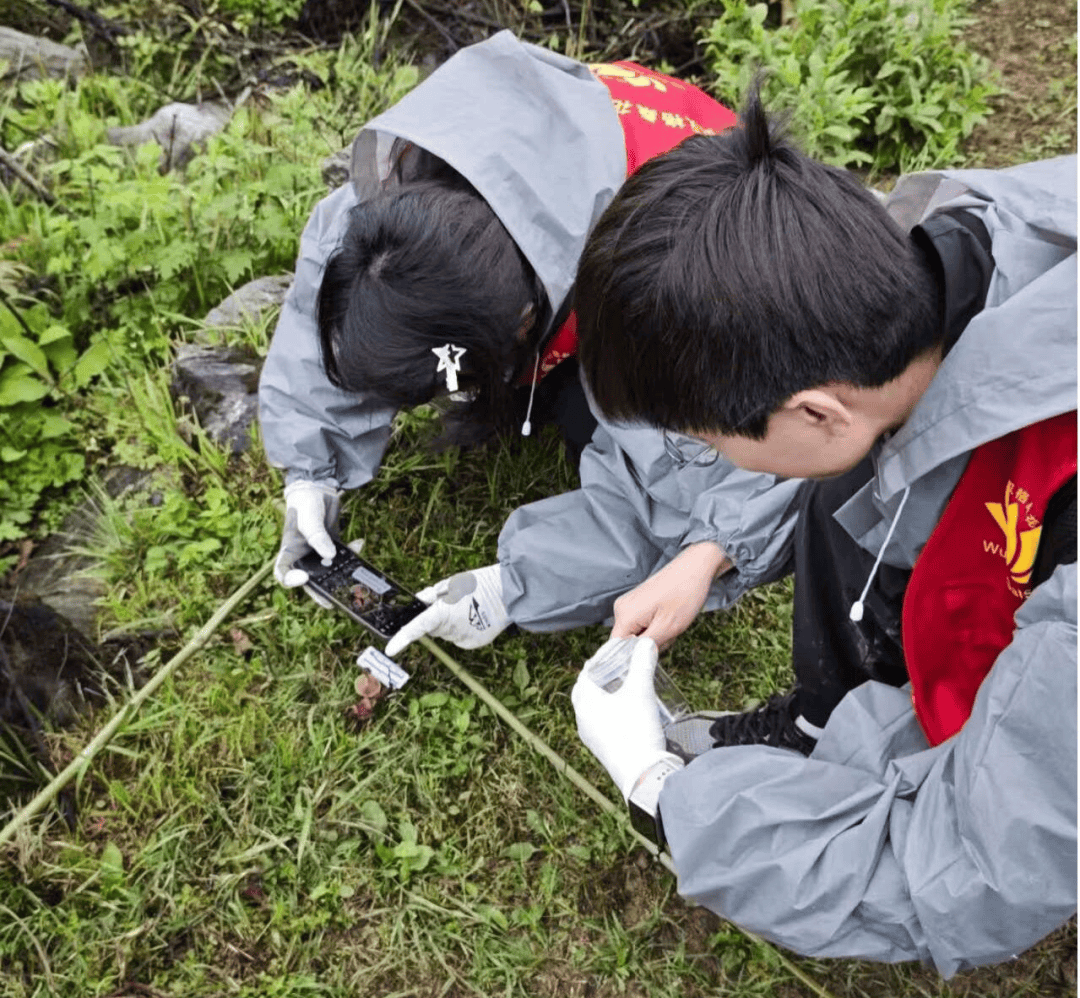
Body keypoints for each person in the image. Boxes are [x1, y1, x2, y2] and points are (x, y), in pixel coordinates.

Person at [566, 86, 1077, 976]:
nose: (703, 455)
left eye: (703, 438)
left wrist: (660, 791)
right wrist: (707, 549)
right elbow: (860, 438)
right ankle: (822, 728)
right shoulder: (958, 250)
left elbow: (962, 869)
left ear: (813, 409)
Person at [258, 30, 778, 610]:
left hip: (698, 296)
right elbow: (332, 286)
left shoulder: (668, 287)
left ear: (520, 326)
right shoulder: (413, 189)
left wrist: (509, 590)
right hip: (582, 250)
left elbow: (727, 496)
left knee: (615, 434)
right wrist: (311, 471)